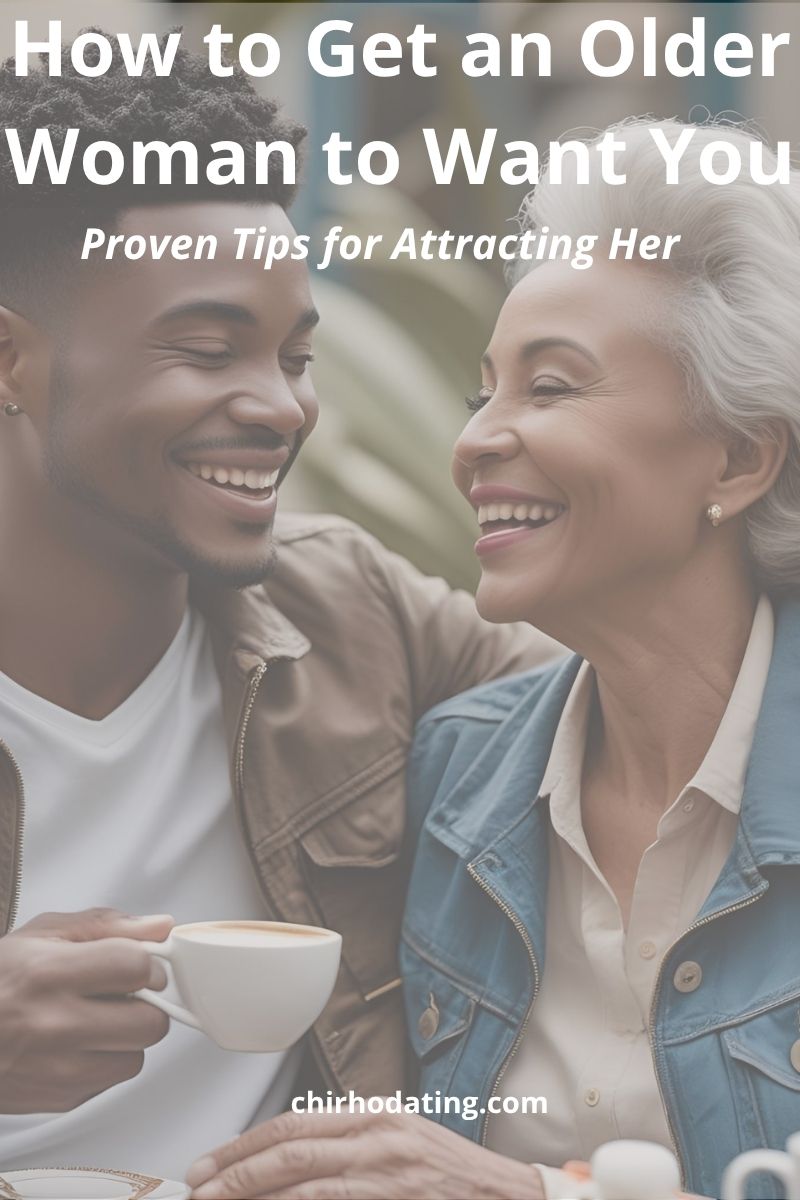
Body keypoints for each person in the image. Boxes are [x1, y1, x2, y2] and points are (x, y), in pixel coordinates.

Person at [185, 119, 800, 1200]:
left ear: (740, 455)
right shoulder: (454, 778)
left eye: (550, 388)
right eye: (484, 392)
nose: (473, 442)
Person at [0, 36, 556, 1179]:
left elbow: (675, 712)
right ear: (12, 361)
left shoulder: (355, 610)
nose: (281, 409)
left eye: (295, 357)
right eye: (207, 349)